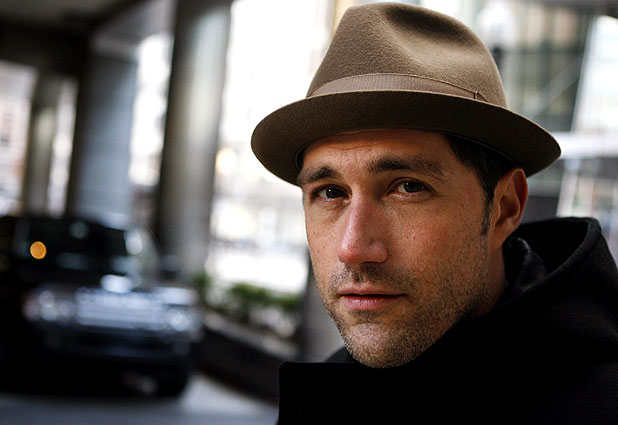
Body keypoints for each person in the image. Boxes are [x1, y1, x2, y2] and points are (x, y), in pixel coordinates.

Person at [250, 3, 618, 424]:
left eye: (408, 187)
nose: (353, 249)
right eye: (330, 192)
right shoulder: (330, 392)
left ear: (504, 208)